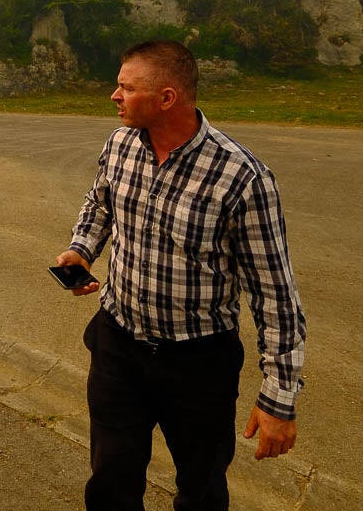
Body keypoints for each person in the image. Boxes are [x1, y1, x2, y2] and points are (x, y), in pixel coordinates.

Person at [56, 39, 305, 511]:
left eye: (126, 88)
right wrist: (81, 248)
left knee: (201, 491)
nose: (114, 95)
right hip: (118, 346)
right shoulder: (120, 144)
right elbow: (101, 205)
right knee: (110, 482)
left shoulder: (241, 177)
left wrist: (278, 398)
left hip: (198, 364)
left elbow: (276, 294)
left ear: (167, 98)